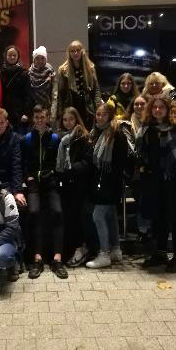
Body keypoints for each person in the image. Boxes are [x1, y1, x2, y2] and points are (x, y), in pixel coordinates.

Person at [136, 95, 176, 273]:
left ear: (169, 109)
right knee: (158, 218)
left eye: (161, 107)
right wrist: (143, 168)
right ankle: (160, 254)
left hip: (174, 183)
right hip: (155, 182)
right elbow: (142, 153)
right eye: (155, 107)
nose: (157, 110)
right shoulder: (147, 130)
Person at [21, 105, 67, 279]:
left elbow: (60, 161)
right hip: (33, 183)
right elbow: (22, 162)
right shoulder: (26, 139)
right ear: (33, 119)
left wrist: (54, 175)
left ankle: (57, 259)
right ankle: (37, 259)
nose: (40, 120)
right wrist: (27, 176)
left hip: (51, 181)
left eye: (42, 117)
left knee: (57, 211)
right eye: (37, 117)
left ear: (47, 118)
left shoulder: (55, 138)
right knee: (33, 212)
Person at [86, 103, 130, 269]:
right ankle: (116, 250)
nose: (100, 117)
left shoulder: (117, 133)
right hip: (101, 181)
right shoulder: (96, 132)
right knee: (110, 215)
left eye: (104, 114)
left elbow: (121, 161)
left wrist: (110, 180)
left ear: (110, 115)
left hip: (110, 183)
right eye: (98, 114)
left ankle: (104, 253)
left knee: (98, 216)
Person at [56, 107, 95, 267]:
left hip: (80, 184)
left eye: (71, 119)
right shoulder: (62, 138)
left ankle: (82, 249)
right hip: (67, 184)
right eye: (65, 119)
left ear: (77, 119)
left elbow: (88, 162)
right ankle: (76, 248)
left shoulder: (83, 137)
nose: (68, 122)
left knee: (77, 218)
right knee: (70, 218)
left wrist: (71, 169)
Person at [53, 40, 102, 130]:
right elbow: (60, 93)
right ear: (69, 53)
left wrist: (98, 104)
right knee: (72, 132)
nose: (75, 53)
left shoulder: (90, 68)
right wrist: (60, 112)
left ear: (82, 51)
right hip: (71, 105)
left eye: (78, 50)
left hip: (87, 107)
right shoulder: (63, 70)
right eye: (72, 51)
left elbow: (96, 89)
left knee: (88, 132)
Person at [125, 95, 151, 248]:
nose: (139, 107)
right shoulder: (127, 124)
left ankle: (150, 228)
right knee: (141, 198)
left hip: (151, 169)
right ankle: (143, 230)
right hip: (135, 171)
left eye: (142, 104)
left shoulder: (152, 122)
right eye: (136, 104)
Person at [0, 45, 31, 132]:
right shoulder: (0, 74)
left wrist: (26, 113)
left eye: (14, 55)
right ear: (5, 56)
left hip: (19, 114)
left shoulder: (24, 73)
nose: (12, 57)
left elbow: (28, 95)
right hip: (4, 113)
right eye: (9, 55)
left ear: (18, 57)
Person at [28, 46, 55, 115]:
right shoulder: (29, 72)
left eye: (42, 58)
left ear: (46, 59)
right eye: (37, 58)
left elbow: (54, 92)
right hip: (33, 107)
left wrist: (52, 109)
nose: (40, 61)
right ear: (34, 60)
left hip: (47, 107)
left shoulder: (50, 71)